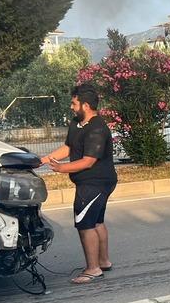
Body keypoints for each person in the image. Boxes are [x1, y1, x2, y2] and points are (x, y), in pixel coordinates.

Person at [41, 84, 117, 284]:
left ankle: (93, 269)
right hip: (90, 182)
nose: (71, 107)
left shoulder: (97, 128)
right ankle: (103, 261)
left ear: (85, 105)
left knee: (85, 224)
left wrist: (61, 168)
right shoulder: (77, 123)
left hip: (96, 183)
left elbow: (88, 161)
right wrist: (45, 159)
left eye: (74, 103)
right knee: (97, 221)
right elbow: (68, 147)